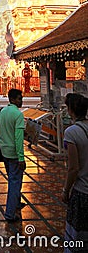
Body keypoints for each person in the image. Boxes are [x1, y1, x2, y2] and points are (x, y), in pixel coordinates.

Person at [62, 93, 88, 253]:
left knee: (76, 235)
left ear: (71, 110)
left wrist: (66, 190)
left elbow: (73, 168)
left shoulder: (71, 132)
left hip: (81, 190)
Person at [0, 88, 26, 222]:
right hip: (14, 153)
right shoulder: (18, 115)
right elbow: (18, 138)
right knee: (15, 182)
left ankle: (16, 203)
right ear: (13, 99)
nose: (21, 101)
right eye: (19, 98)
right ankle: (10, 213)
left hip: (5, 151)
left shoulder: (3, 111)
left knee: (13, 179)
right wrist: (21, 157)